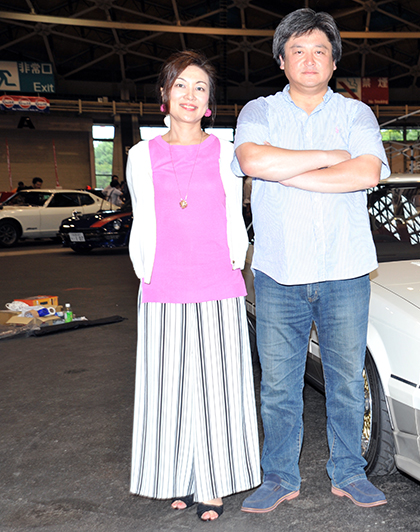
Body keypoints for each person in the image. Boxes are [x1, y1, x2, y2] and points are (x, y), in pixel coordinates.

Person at [232, 8, 391, 513]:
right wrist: (328, 155)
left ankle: (348, 471)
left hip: (346, 272)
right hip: (279, 274)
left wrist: (287, 171)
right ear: (282, 60)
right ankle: (279, 476)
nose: (309, 59)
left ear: (333, 61)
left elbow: (368, 171)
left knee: (347, 381)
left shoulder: (356, 114)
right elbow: (252, 162)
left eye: (319, 50)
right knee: (279, 385)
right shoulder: (258, 110)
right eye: (297, 50)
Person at [126, 50, 260, 522]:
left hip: (218, 284)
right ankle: (179, 477)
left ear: (209, 103)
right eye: (180, 84)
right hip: (162, 286)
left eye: (200, 87)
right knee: (169, 392)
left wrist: (237, 262)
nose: (190, 94)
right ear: (164, 95)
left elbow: (236, 215)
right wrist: (144, 269)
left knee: (218, 390)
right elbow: (143, 219)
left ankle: (213, 483)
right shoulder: (140, 156)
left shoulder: (227, 152)